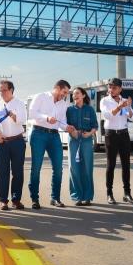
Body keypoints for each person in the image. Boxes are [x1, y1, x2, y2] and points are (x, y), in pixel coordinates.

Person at [28, 79, 75, 209]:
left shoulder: (63, 104)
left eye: (66, 93)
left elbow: (61, 122)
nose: (65, 95)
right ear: (57, 88)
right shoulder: (41, 97)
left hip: (54, 135)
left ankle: (55, 198)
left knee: (58, 168)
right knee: (36, 168)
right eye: (64, 92)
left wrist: (67, 127)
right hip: (38, 134)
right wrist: (46, 118)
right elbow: (32, 113)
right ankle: (34, 199)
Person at [100, 78, 133, 205]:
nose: (111, 89)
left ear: (120, 89)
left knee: (126, 165)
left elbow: (132, 118)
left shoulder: (124, 100)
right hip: (111, 135)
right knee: (111, 165)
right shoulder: (104, 100)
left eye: (114, 87)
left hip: (124, 134)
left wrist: (129, 107)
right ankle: (109, 194)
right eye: (110, 87)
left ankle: (127, 193)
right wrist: (120, 106)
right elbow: (108, 116)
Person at [0, 80, 27, 210]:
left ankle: (16, 199)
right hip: (2, 142)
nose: (2, 93)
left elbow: (23, 120)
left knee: (18, 172)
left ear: (11, 90)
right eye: (0, 90)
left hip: (17, 141)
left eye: (4, 90)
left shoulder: (19, 103)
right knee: (2, 172)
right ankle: (3, 200)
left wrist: (12, 115)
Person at [66, 87, 98, 206]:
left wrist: (89, 133)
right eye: (73, 94)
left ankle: (88, 196)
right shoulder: (69, 110)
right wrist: (71, 132)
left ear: (83, 95)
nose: (75, 95)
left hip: (86, 139)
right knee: (74, 168)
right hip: (73, 139)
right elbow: (66, 124)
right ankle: (77, 197)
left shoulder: (90, 109)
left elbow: (95, 126)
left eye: (77, 93)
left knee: (87, 167)